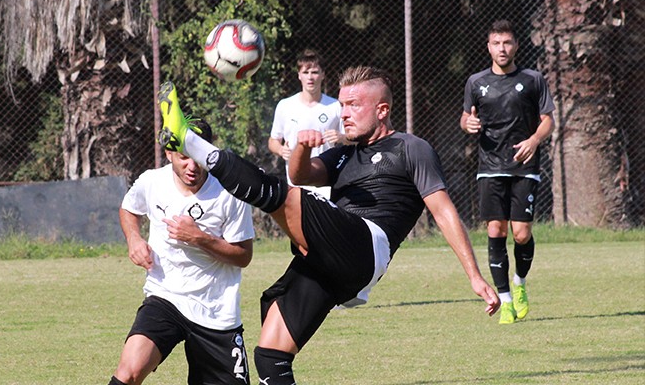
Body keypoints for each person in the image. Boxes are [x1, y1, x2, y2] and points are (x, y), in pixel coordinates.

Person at [157, 67, 499, 384]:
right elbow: (301, 174)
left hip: (366, 243)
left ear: (381, 110)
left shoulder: (411, 148)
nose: (344, 112)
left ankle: (189, 141)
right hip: (330, 257)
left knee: (281, 194)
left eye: (353, 105)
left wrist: (474, 275)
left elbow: (443, 211)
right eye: (342, 104)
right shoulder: (343, 153)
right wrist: (303, 148)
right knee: (270, 355)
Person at [109, 119, 256, 385]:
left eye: (199, 156)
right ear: (168, 154)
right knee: (129, 371)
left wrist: (200, 238)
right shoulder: (152, 181)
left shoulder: (230, 192)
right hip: (165, 297)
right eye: (183, 158)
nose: (192, 166)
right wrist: (134, 239)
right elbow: (129, 208)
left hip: (216, 311)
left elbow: (243, 256)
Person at [460, 19, 555, 324]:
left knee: (521, 232)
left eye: (507, 43)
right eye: (496, 43)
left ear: (516, 46)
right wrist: (468, 124)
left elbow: (548, 121)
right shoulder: (476, 82)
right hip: (489, 168)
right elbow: (466, 118)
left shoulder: (532, 79)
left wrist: (534, 140)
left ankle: (520, 282)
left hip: (524, 166)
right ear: (488, 47)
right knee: (495, 230)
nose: (502, 49)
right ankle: (506, 300)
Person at [268, 49, 344, 199]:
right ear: (299, 75)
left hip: (325, 181)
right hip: (295, 182)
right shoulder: (285, 106)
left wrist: (341, 137)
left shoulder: (335, 106)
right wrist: (280, 150)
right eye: (306, 72)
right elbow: (273, 141)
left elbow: (349, 139)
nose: (310, 77)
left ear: (323, 75)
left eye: (315, 72)